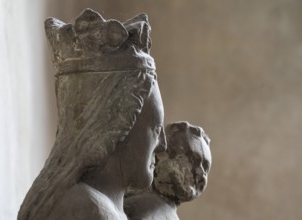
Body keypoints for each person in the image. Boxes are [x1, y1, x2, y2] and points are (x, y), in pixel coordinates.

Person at [18, 9, 166, 220]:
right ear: (119, 127)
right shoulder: (88, 210)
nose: (163, 145)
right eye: (156, 129)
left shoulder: (111, 209)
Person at [124, 121, 211, 220]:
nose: (202, 174)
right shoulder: (134, 208)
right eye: (193, 160)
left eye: (206, 168)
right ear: (161, 155)